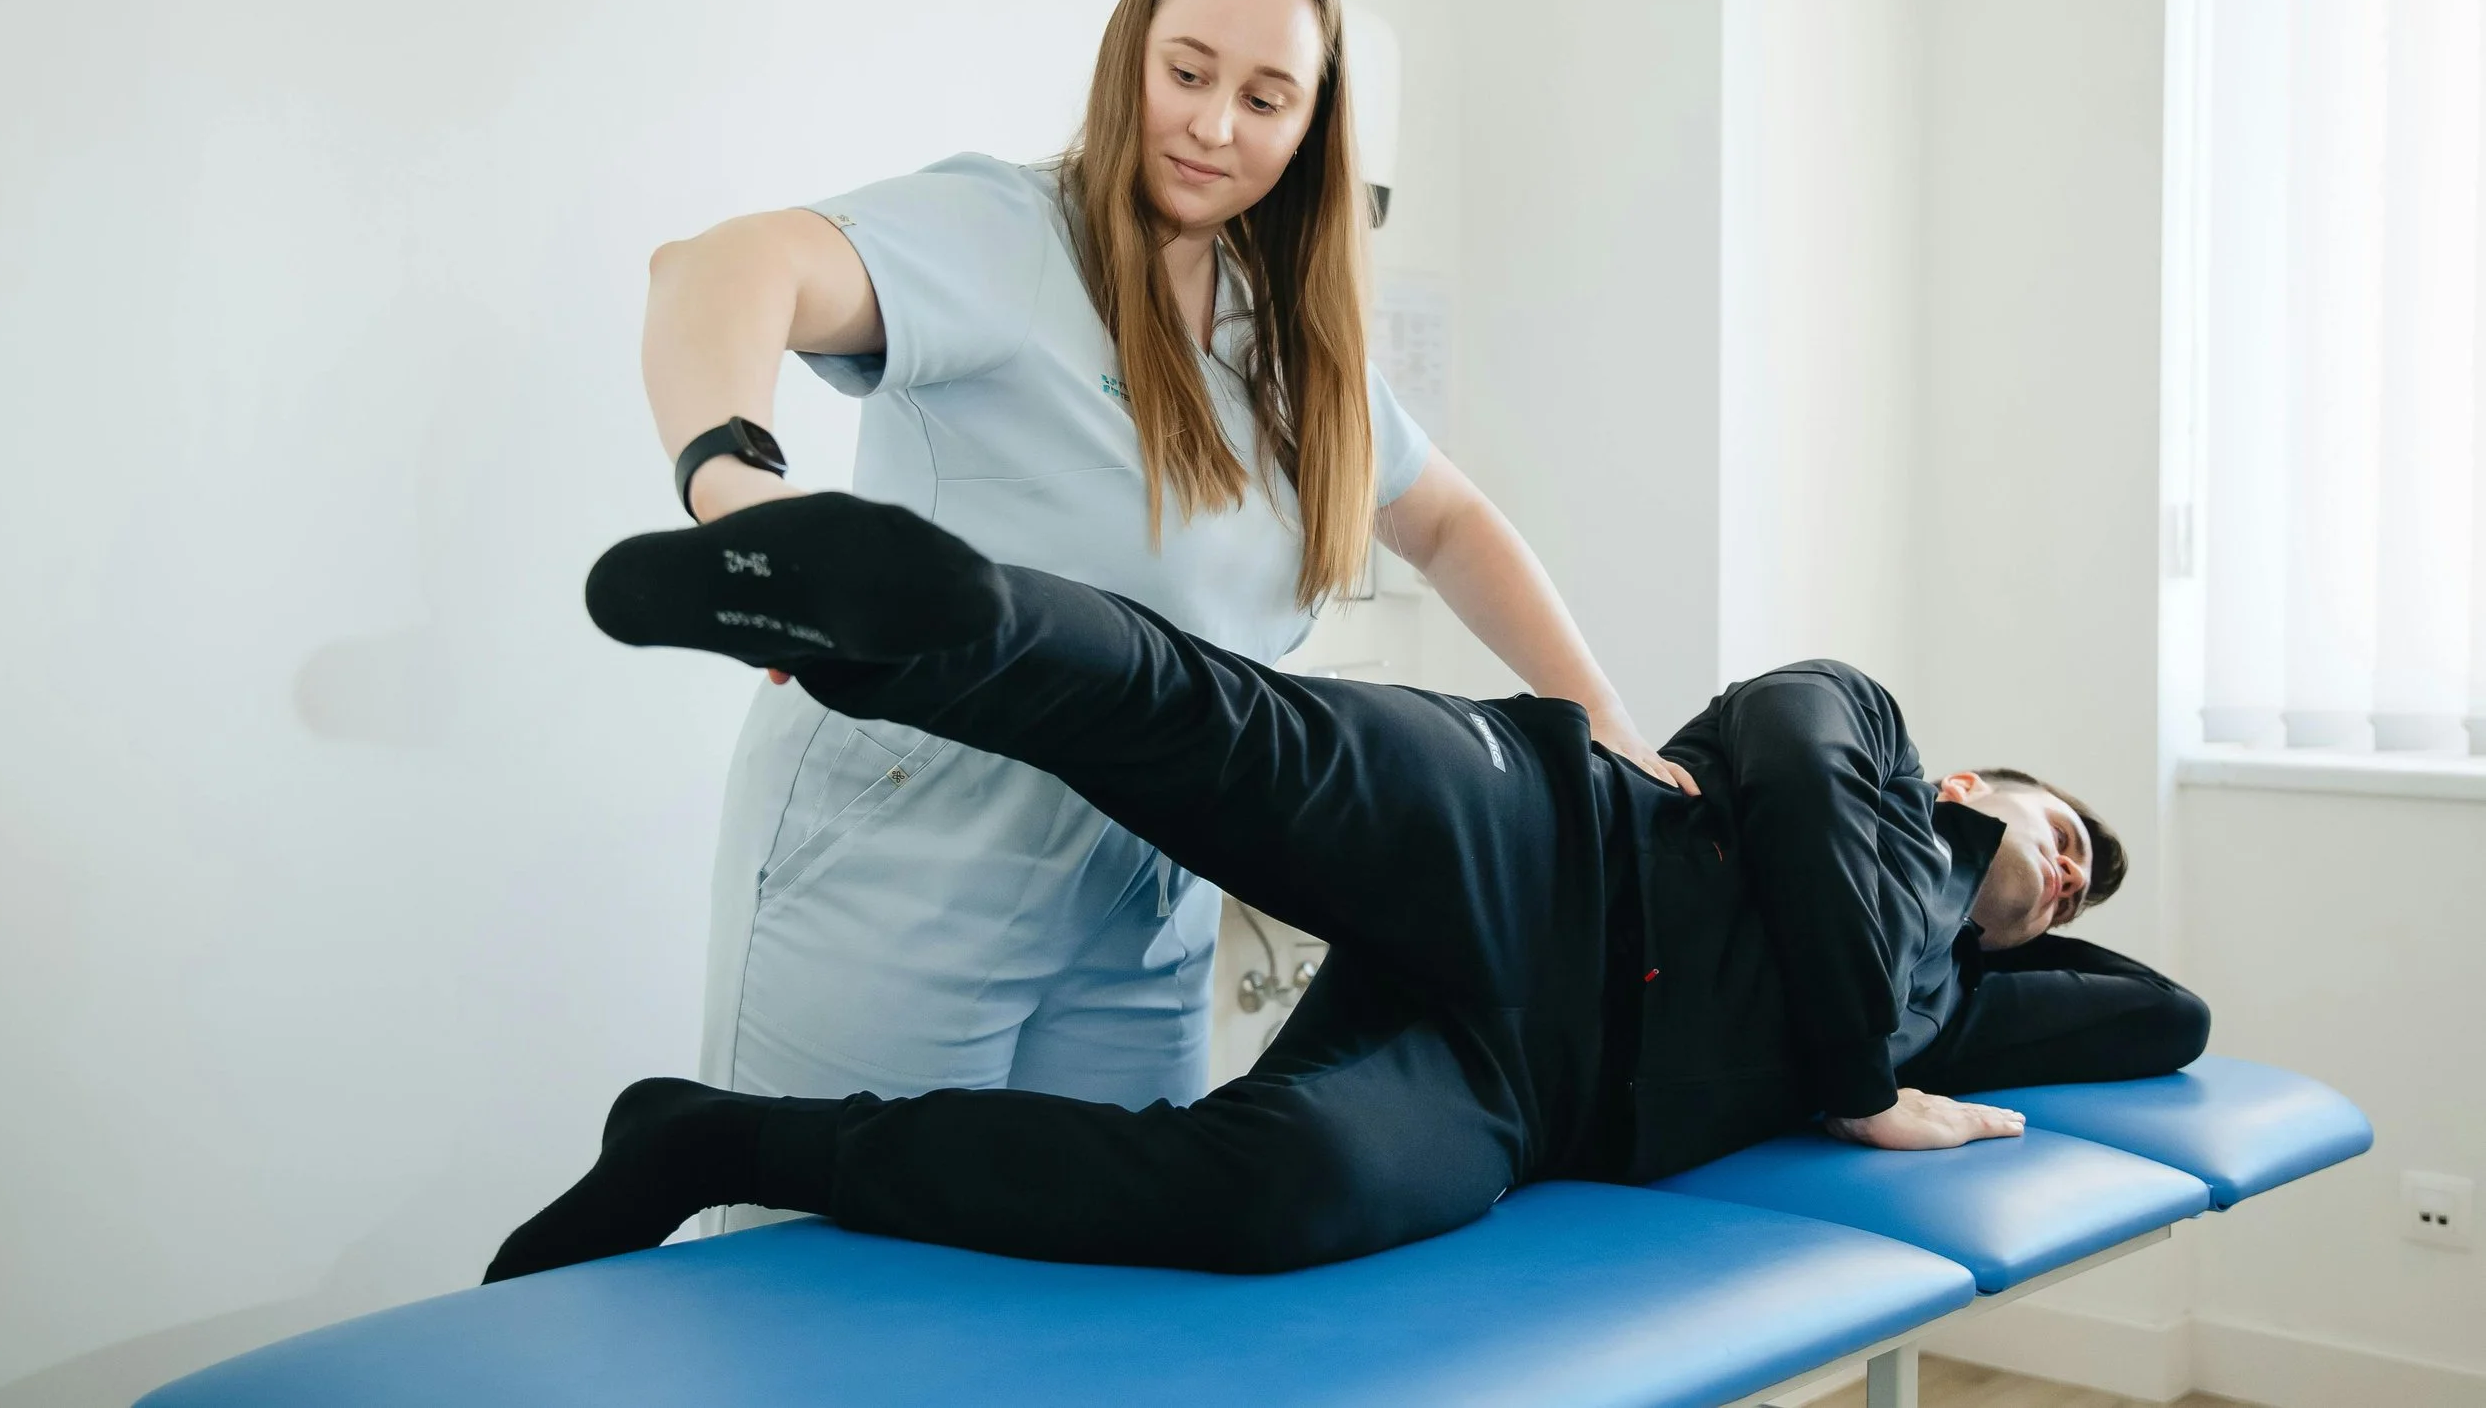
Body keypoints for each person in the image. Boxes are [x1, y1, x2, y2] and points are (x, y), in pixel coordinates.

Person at [483, 493, 2210, 1283]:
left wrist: (1955, 990)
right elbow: (1803, 781)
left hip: (1531, 1094)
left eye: (2079, 888)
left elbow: (2162, 1016)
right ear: (1980, 779)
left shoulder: (1942, 1008)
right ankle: (920, 626)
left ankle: (713, 1136)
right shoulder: (1871, 741)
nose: (2067, 878)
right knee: (1223, 733)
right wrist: (1864, 1070)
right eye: (2062, 831)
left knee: (1273, 1198)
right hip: (1541, 831)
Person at [643, 0, 1686, 1146]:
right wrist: (742, 493)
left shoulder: (1280, 343)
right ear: (1129, 54)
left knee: (1101, 1299)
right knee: (823, 1280)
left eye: (1264, 97)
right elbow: (712, 268)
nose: (1213, 124)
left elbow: (1449, 520)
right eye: (1187, 73)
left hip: (1143, 892)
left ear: (1311, 128)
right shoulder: (1007, 236)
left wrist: (1607, 732)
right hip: (908, 848)